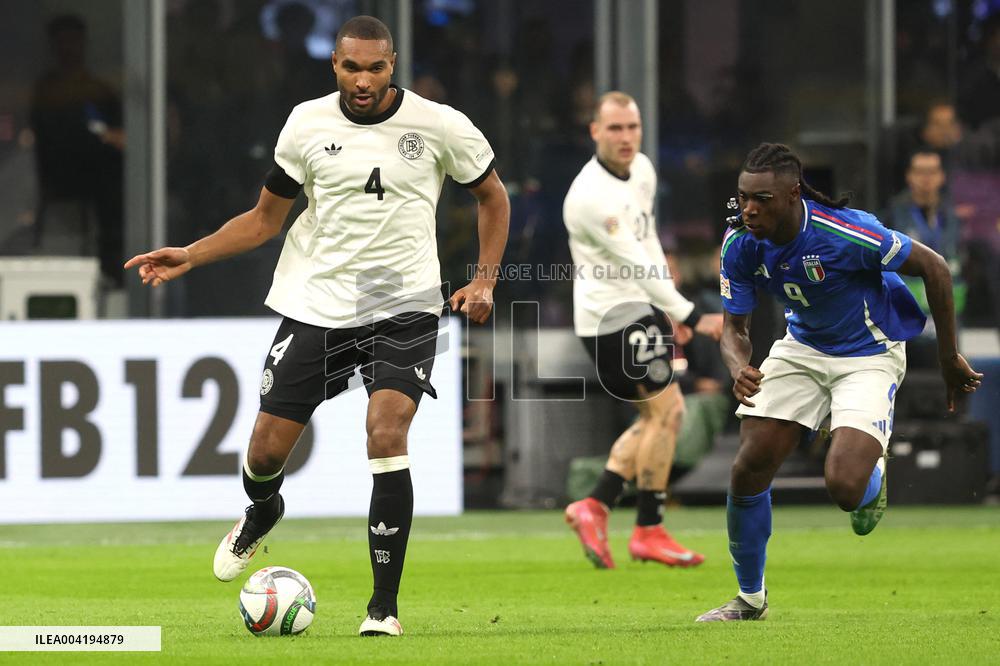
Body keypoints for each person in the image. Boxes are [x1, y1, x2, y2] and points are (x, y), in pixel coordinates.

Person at [125, 16, 509, 637]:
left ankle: (382, 608)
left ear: (392, 65)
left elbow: (493, 196)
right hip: (317, 305)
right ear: (334, 64)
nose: (363, 81)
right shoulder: (306, 124)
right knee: (263, 453)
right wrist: (190, 255)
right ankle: (263, 510)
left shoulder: (439, 124)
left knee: (387, 432)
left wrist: (485, 279)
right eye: (351, 67)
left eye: (375, 68)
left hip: (403, 305)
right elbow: (263, 220)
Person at [696, 143, 982, 622]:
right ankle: (749, 599)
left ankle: (873, 473)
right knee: (748, 467)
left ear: (792, 195)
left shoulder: (847, 231)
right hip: (803, 346)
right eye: (744, 197)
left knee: (845, 488)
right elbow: (734, 329)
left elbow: (934, 266)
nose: (749, 209)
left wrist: (948, 356)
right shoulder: (740, 242)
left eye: (762, 199)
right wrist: (737, 366)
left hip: (869, 353)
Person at [561, 91, 723, 570]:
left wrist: (666, 308)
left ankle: (596, 505)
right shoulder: (591, 197)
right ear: (595, 131)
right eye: (615, 128)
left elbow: (649, 242)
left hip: (638, 308)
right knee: (666, 413)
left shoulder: (644, 171)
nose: (625, 137)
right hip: (610, 318)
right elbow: (634, 261)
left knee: (662, 415)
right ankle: (646, 528)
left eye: (632, 127)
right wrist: (690, 315)